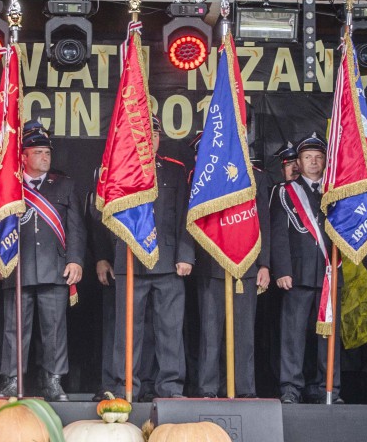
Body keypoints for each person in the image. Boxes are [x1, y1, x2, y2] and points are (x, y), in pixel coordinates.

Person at [0, 121, 85, 401]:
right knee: (14, 330)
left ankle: (52, 381)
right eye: (38, 153)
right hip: (16, 268)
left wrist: (76, 260)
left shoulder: (64, 184)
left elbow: (76, 228)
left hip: (54, 267)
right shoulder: (10, 186)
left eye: (47, 152)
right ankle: (11, 380)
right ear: (23, 156)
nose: (44, 158)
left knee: (54, 330)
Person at [103, 116, 194, 399]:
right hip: (130, 260)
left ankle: (170, 388)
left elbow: (185, 217)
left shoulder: (175, 170)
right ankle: (126, 387)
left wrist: (186, 255)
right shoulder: (120, 171)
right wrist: (110, 256)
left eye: (154, 135)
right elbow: (106, 217)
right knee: (127, 330)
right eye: (144, 135)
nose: (150, 140)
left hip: (168, 261)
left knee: (170, 329)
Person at [271, 132, 343, 404]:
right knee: (292, 336)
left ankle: (329, 389)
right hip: (297, 274)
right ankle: (291, 388)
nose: (313, 162)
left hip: (329, 274)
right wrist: (282, 270)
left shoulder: (337, 191)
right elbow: (278, 234)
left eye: (318, 157)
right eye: (307, 158)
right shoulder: (285, 191)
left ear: (326, 161)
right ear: (298, 162)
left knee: (330, 338)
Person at [194, 147, 271, 398]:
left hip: (246, 266)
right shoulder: (206, 173)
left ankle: (244, 390)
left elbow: (265, 225)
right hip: (212, 265)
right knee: (210, 333)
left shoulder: (256, 177)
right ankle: (208, 389)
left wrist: (265, 265)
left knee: (244, 334)